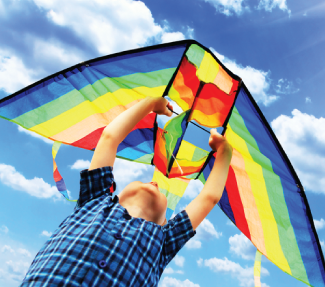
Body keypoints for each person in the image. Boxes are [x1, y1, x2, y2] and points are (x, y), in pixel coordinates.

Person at [21, 96, 233, 286]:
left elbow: (210, 197)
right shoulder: (96, 200)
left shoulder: (164, 240)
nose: (154, 183)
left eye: (160, 192)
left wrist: (225, 151)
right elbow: (109, 137)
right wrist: (150, 103)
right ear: (115, 195)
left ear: (164, 222)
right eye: (147, 181)